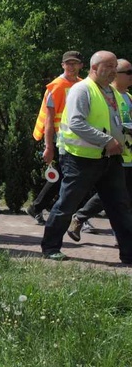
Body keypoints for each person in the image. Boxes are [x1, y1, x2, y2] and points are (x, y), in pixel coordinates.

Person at [41, 51, 132, 264]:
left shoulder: (113, 92)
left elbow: (115, 122)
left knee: (120, 207)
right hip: (80, 159)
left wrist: (124, 134)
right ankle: (50, 247)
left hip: (110, 159)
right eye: (108, 66)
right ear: (94, 68)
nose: (113, 71)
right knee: (66, 205)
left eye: (114, 67)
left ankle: (128, 254)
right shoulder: (81, 90)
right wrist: (107, 141)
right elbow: (76, 123)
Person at [65, 58, 132, 242]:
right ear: (116, 75)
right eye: (129, 72)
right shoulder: (102, 95)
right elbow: (80, 123)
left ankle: (124, 239)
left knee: (121, 197)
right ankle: (80, 217)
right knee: (114, 196)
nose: (131, 77)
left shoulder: (127, 97)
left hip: (124, 154)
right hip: (110, 155)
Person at [28, 50, 84, 225]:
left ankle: (37, 207)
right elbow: (49, 120)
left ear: (81, 65)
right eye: (68, 63)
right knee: (68, 177)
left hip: (76, 139)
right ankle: (79, 215)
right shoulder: (56, 86)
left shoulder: (83, 85)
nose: (71, 66)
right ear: (62, 65)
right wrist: (48, 147)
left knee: (64, 177)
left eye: (75, 63)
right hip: (59, 139)